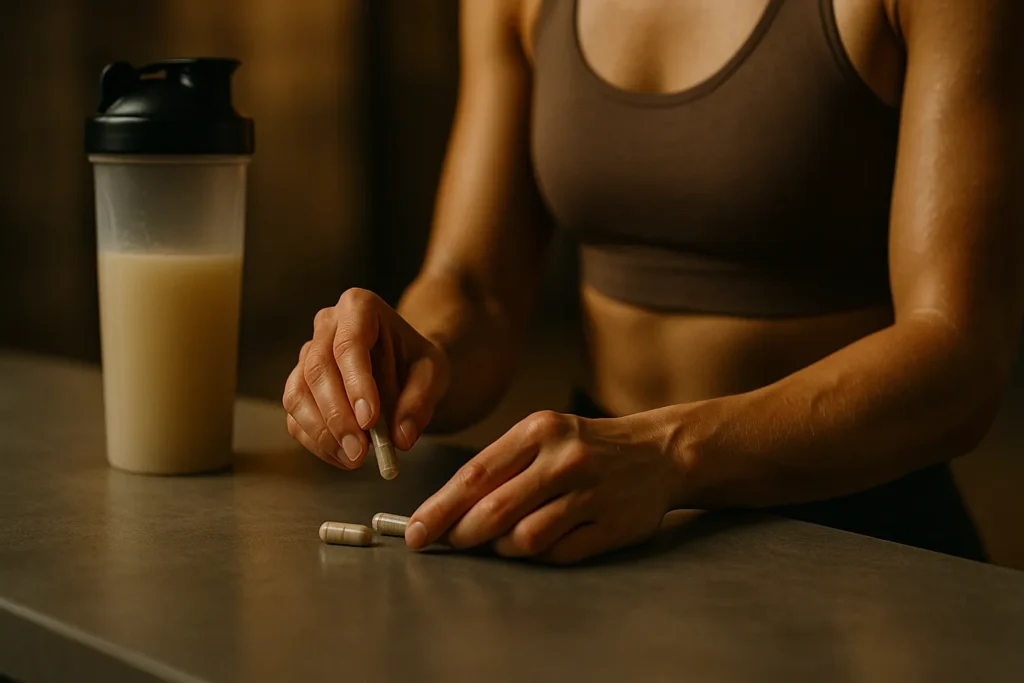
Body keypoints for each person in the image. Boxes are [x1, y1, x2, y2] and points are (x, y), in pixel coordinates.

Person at [283, 0, 1023, 564]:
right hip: (598, 534)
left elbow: (958, 357)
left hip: (862, 537)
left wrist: (670, 456)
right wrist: (412, 356)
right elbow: (475, 286)